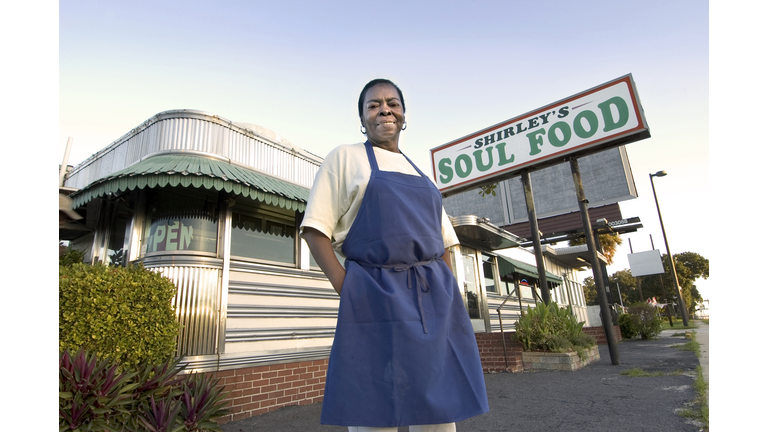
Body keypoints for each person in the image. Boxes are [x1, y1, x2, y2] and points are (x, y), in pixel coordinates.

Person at [300, 78, 489, 432]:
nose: (384, 109)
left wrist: (447, 295)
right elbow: (315, 229)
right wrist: (350, 288)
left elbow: (446, 242)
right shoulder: (345, 157)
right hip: (374, 294)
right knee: (374, 405)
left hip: (431, 300)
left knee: (436, 408)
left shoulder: (425, 177)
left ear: (404, 115)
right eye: (373, 105)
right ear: (362, 119)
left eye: (393, 103)